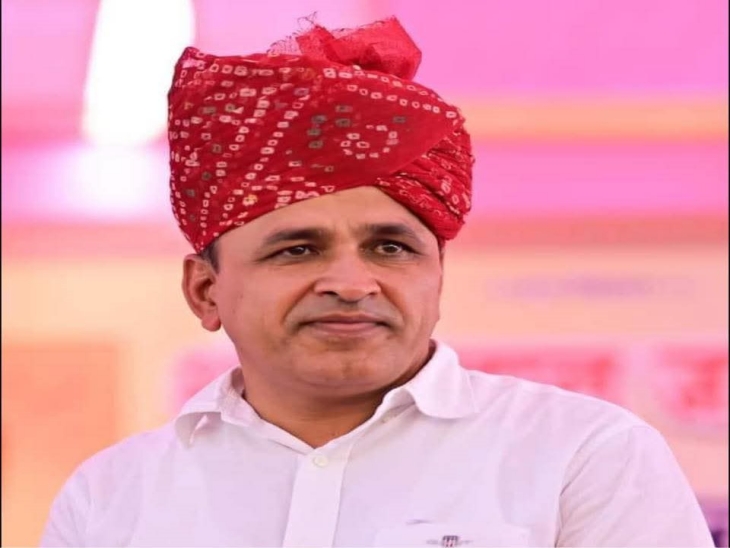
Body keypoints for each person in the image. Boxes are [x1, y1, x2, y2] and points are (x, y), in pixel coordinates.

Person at [41, 16, 714, 548]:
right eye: (296, 250)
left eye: (390, 248)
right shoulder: (113, 496)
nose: (351, 282)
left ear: (437, 278)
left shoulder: (583, 454)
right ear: (205, 291)